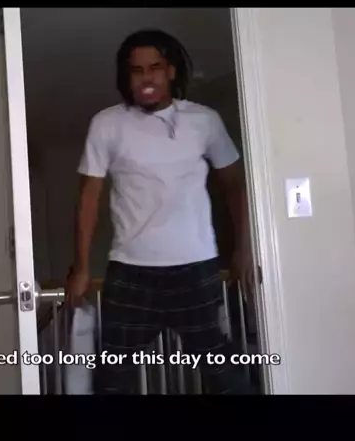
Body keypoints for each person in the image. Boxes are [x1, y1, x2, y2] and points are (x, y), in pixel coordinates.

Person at [65, 29, 256, 394]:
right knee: (113, 379)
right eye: (137, 70)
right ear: (126, 76)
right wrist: (82, 267)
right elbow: (89, 196)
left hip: (196, 268)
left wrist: (243, 250)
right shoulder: (107, 124)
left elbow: (235, 184)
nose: (146, 78)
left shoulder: (204, 120)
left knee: (224, 373)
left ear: (170, 71)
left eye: (155, 67)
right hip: (130, 271)